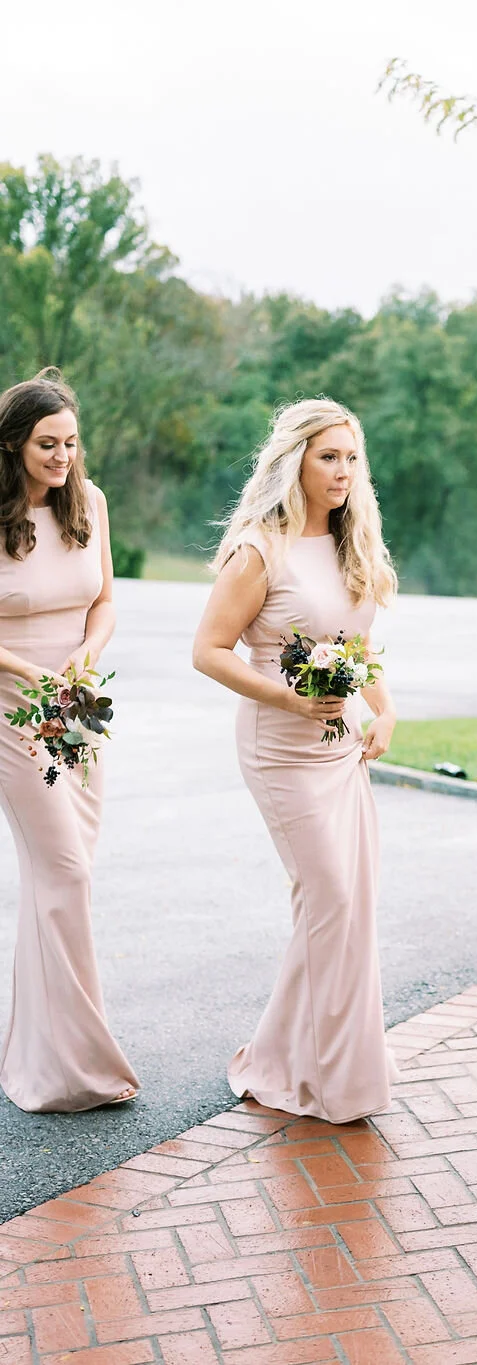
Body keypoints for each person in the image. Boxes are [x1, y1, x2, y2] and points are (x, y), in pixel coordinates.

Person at [193, 398, 398, 1121]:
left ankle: (311, 1062)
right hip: (279, 748)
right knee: (333, 897)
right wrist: (286, 698)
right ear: (296, 462)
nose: (343, 471)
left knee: (345, 901)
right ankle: (291, 1062)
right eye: (328, 456)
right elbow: (208, 650)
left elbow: (356, 643)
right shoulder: (261, 548)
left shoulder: (351, 542)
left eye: (350, 457)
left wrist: (384, 706)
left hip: (339, 749)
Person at [0, 368, 137, 1112]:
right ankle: (75, 1063)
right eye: (48, 444)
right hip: (13, 708)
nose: (63, 457)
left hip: (77, 706)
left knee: (69, 869)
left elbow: (107, 598)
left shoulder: (89, 503)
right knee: (65, 872)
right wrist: (30, 668)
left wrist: (84, 656)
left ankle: (37, 1047)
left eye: (72, 443)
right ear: (15, 444)